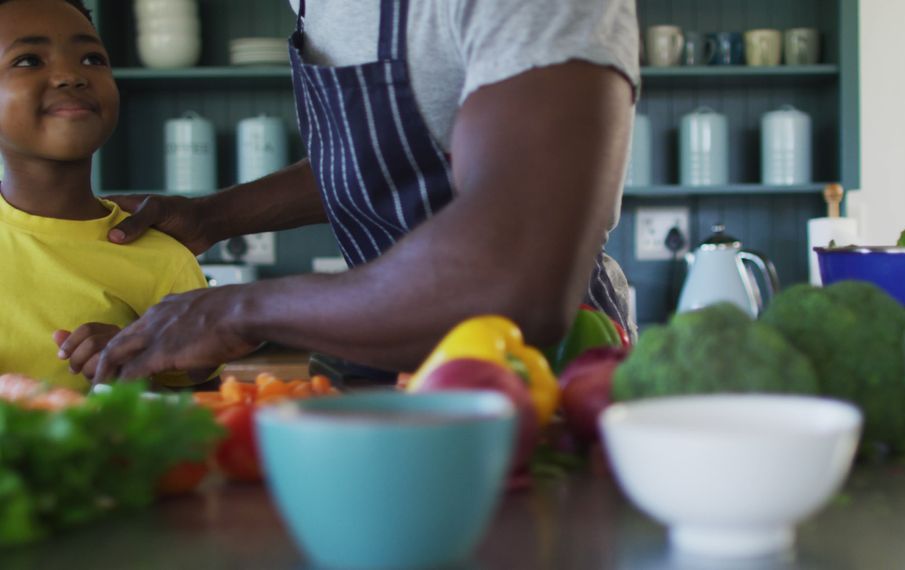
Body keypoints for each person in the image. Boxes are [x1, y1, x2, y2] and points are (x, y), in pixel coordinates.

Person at [81, 0, 641, 383]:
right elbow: (392, 157)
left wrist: (235, 310)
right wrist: (212, 217)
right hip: (381, 360)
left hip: (545, 378)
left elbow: (518, 276)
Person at [0, 0, 211, 390]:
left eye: (92, 59)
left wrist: (137, 357)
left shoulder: (162, 257)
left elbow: (200, 394)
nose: (70, 76)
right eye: (29, 60)